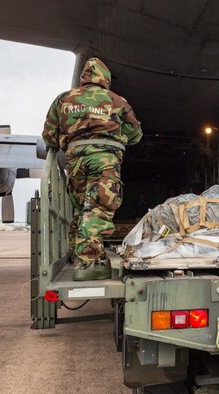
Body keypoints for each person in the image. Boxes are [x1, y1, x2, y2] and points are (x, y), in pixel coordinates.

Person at [42, 57, 142, 280]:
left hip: (75, 160)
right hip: (104, 159)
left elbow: (48, 135)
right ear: (104, 79)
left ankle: (77, 255)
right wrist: (116, 133)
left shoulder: (64, 99)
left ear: (84, 77)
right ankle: (88, 265)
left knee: (82, 208)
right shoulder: (116, 101)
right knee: (98, 208)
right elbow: (136, 135)